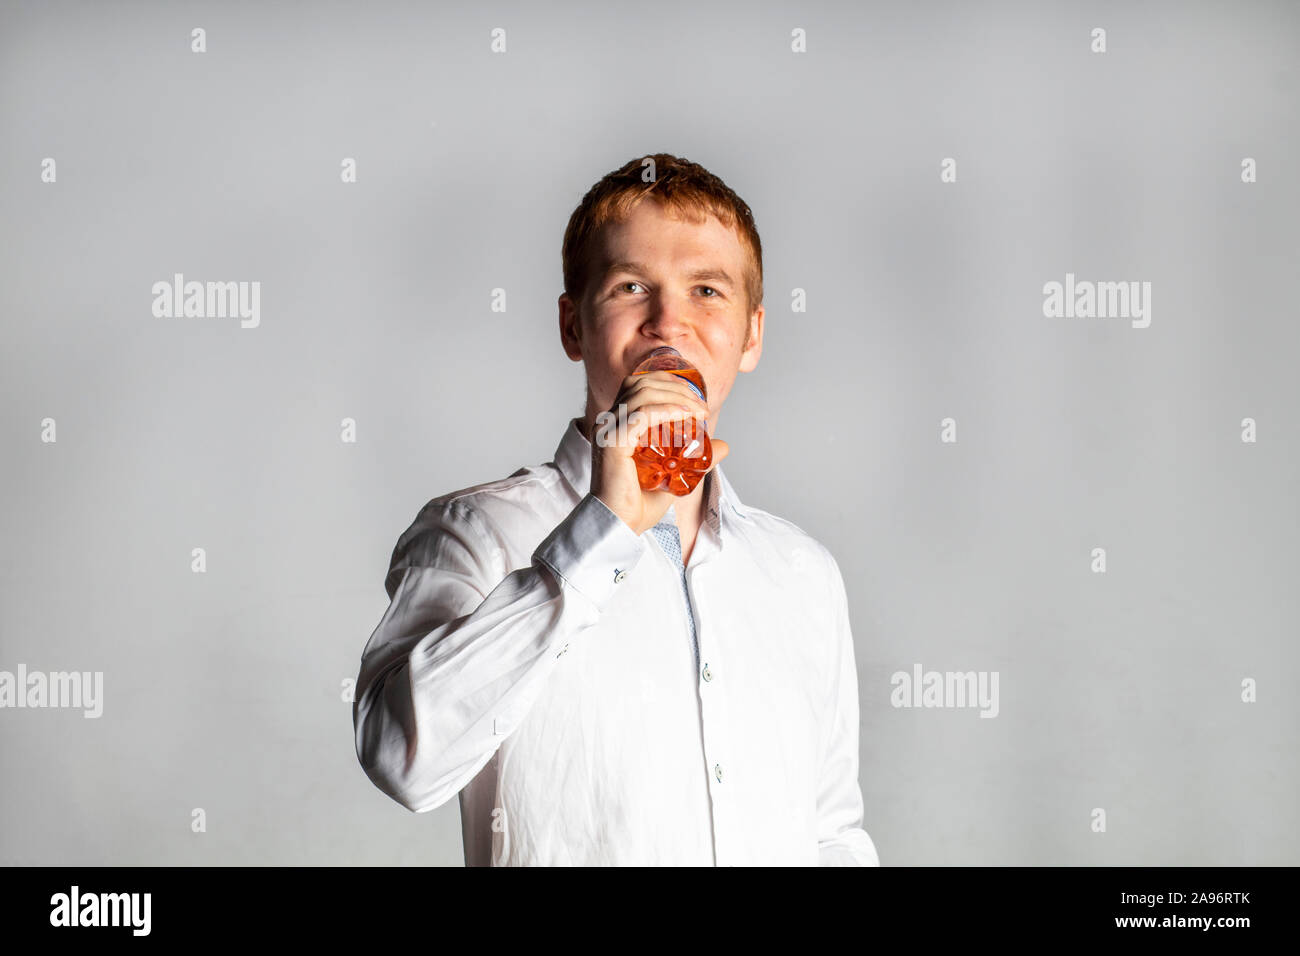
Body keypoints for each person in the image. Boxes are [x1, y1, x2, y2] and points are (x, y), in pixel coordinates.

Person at [352, 153, 880, 866]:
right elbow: (401, 760)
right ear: (573, 326)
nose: (670, 323)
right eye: (633, 287)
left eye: (706, 290)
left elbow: (833, 834)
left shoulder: (805, 576)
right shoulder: (476, 533)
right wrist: (606, 529)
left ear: (752, 335)